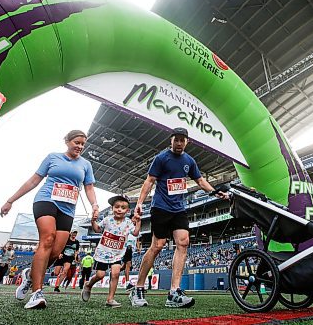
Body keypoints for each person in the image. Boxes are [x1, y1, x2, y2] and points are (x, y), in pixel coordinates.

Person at [0, 130, 99, 309]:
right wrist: (10, 200)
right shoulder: (53, 157)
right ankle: (36, 293)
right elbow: (34, 180)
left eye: (83, 144)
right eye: (77, 142)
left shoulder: (86, 164)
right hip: (46, 200)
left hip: (68, 209)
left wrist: (94, 205)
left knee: (55, 253)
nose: (80, 146)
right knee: (47, 239)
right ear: (67, 141)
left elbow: (89, 188)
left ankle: (30, 275)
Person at [130, 127, 228, 308]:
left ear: (187, 142)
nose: (179, 143)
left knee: (183, 242)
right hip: (160, 207)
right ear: (171, 140)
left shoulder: (189, 161)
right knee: (157, 246)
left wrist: (215, 192)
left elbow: (200, 181)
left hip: (179, 209)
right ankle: (138, 288)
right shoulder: (161, 158)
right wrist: (139, 203)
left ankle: (173, 292)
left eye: (182, 140)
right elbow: (149, 181)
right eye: (176, 139)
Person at [81, 195, 141, 308]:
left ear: (127, 211)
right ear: (112, 208)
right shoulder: (107, 220)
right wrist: (93, 221)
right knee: (100, 275)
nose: (119, 209)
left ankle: (110, 299)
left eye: (123, 208)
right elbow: (97, 229)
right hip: (103, 252)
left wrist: (138, 222)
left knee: (116, 273)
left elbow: (135, 233)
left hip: (117, 254)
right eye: (117, 207)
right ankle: (88, 285)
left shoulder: (128, 223)